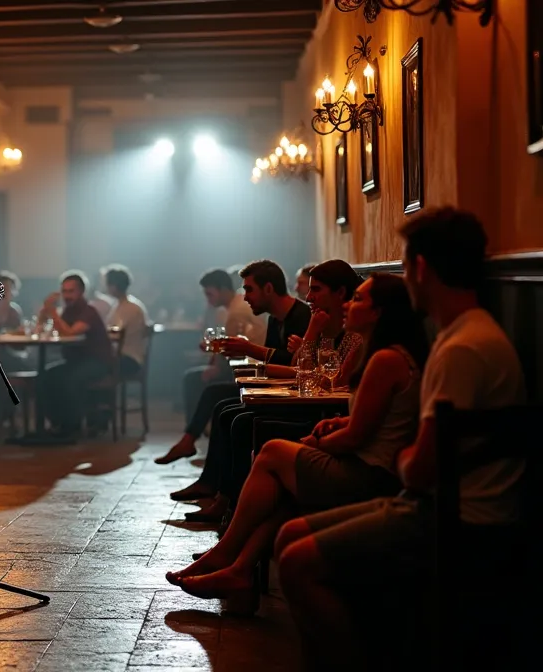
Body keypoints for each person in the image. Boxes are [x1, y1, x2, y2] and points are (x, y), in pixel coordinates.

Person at [274, 208, 524, 670]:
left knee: (296, 562)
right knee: (289, 533)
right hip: (445, 505)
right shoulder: (468, 335)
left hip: (459, 520)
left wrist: (407, 452)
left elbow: (421, 469)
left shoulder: (462, 349)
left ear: (422, 269)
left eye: (406, 265)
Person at [167, 273, 427, 614]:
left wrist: (318, 442)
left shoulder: (384, 359)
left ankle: (227, 554)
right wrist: (341, 420)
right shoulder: (385, 353)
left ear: (379, 312)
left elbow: (356, 436)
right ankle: (238, 569)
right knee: (282, 487)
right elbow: (373, 416)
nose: (349, 305)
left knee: (272, 450)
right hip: (373, 466)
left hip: (371, 474)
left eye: (358, 299)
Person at [158, 260, 310, 469]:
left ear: (268, 289)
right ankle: (210, 479)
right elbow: (276, 358)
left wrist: (247, 349)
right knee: (217, 399)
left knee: (224, 407)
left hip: (293, 396)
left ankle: (219, 486)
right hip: (277, 385)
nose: (245, 296)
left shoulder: (302, 315)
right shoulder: (276, 318)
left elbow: (297, 365)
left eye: (249, 289)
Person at [171, 268, 265, 457]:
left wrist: (215, 367)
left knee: (194, 380)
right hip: (245, 362)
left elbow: (230, 350)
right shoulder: (235, 306)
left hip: (249, 366)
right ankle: (195, 432)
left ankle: (193, 434)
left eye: (210, 294)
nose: (208, 299)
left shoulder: (235, 312)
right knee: (194, 377)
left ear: (223, 289)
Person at [36, 270, 116, 435]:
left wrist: (52, 312)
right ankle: (57, 422)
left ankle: (73, 425)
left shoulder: (88, 311)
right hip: (77, 361)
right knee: (45, 376)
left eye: (71, 291)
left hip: (97, 362)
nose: (67, 296)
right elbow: (51, 329)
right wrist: (45, 312)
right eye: (64, 291)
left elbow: (70, 332)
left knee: (70, 379)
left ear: (81, 292)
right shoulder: (68, 311)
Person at [100, 265, 150, 377]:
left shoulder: (129, 308)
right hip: (122, 356)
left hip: (129, 359)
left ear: (113, 286)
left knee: (90, 366)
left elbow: (114, 333)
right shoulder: (122, 305)